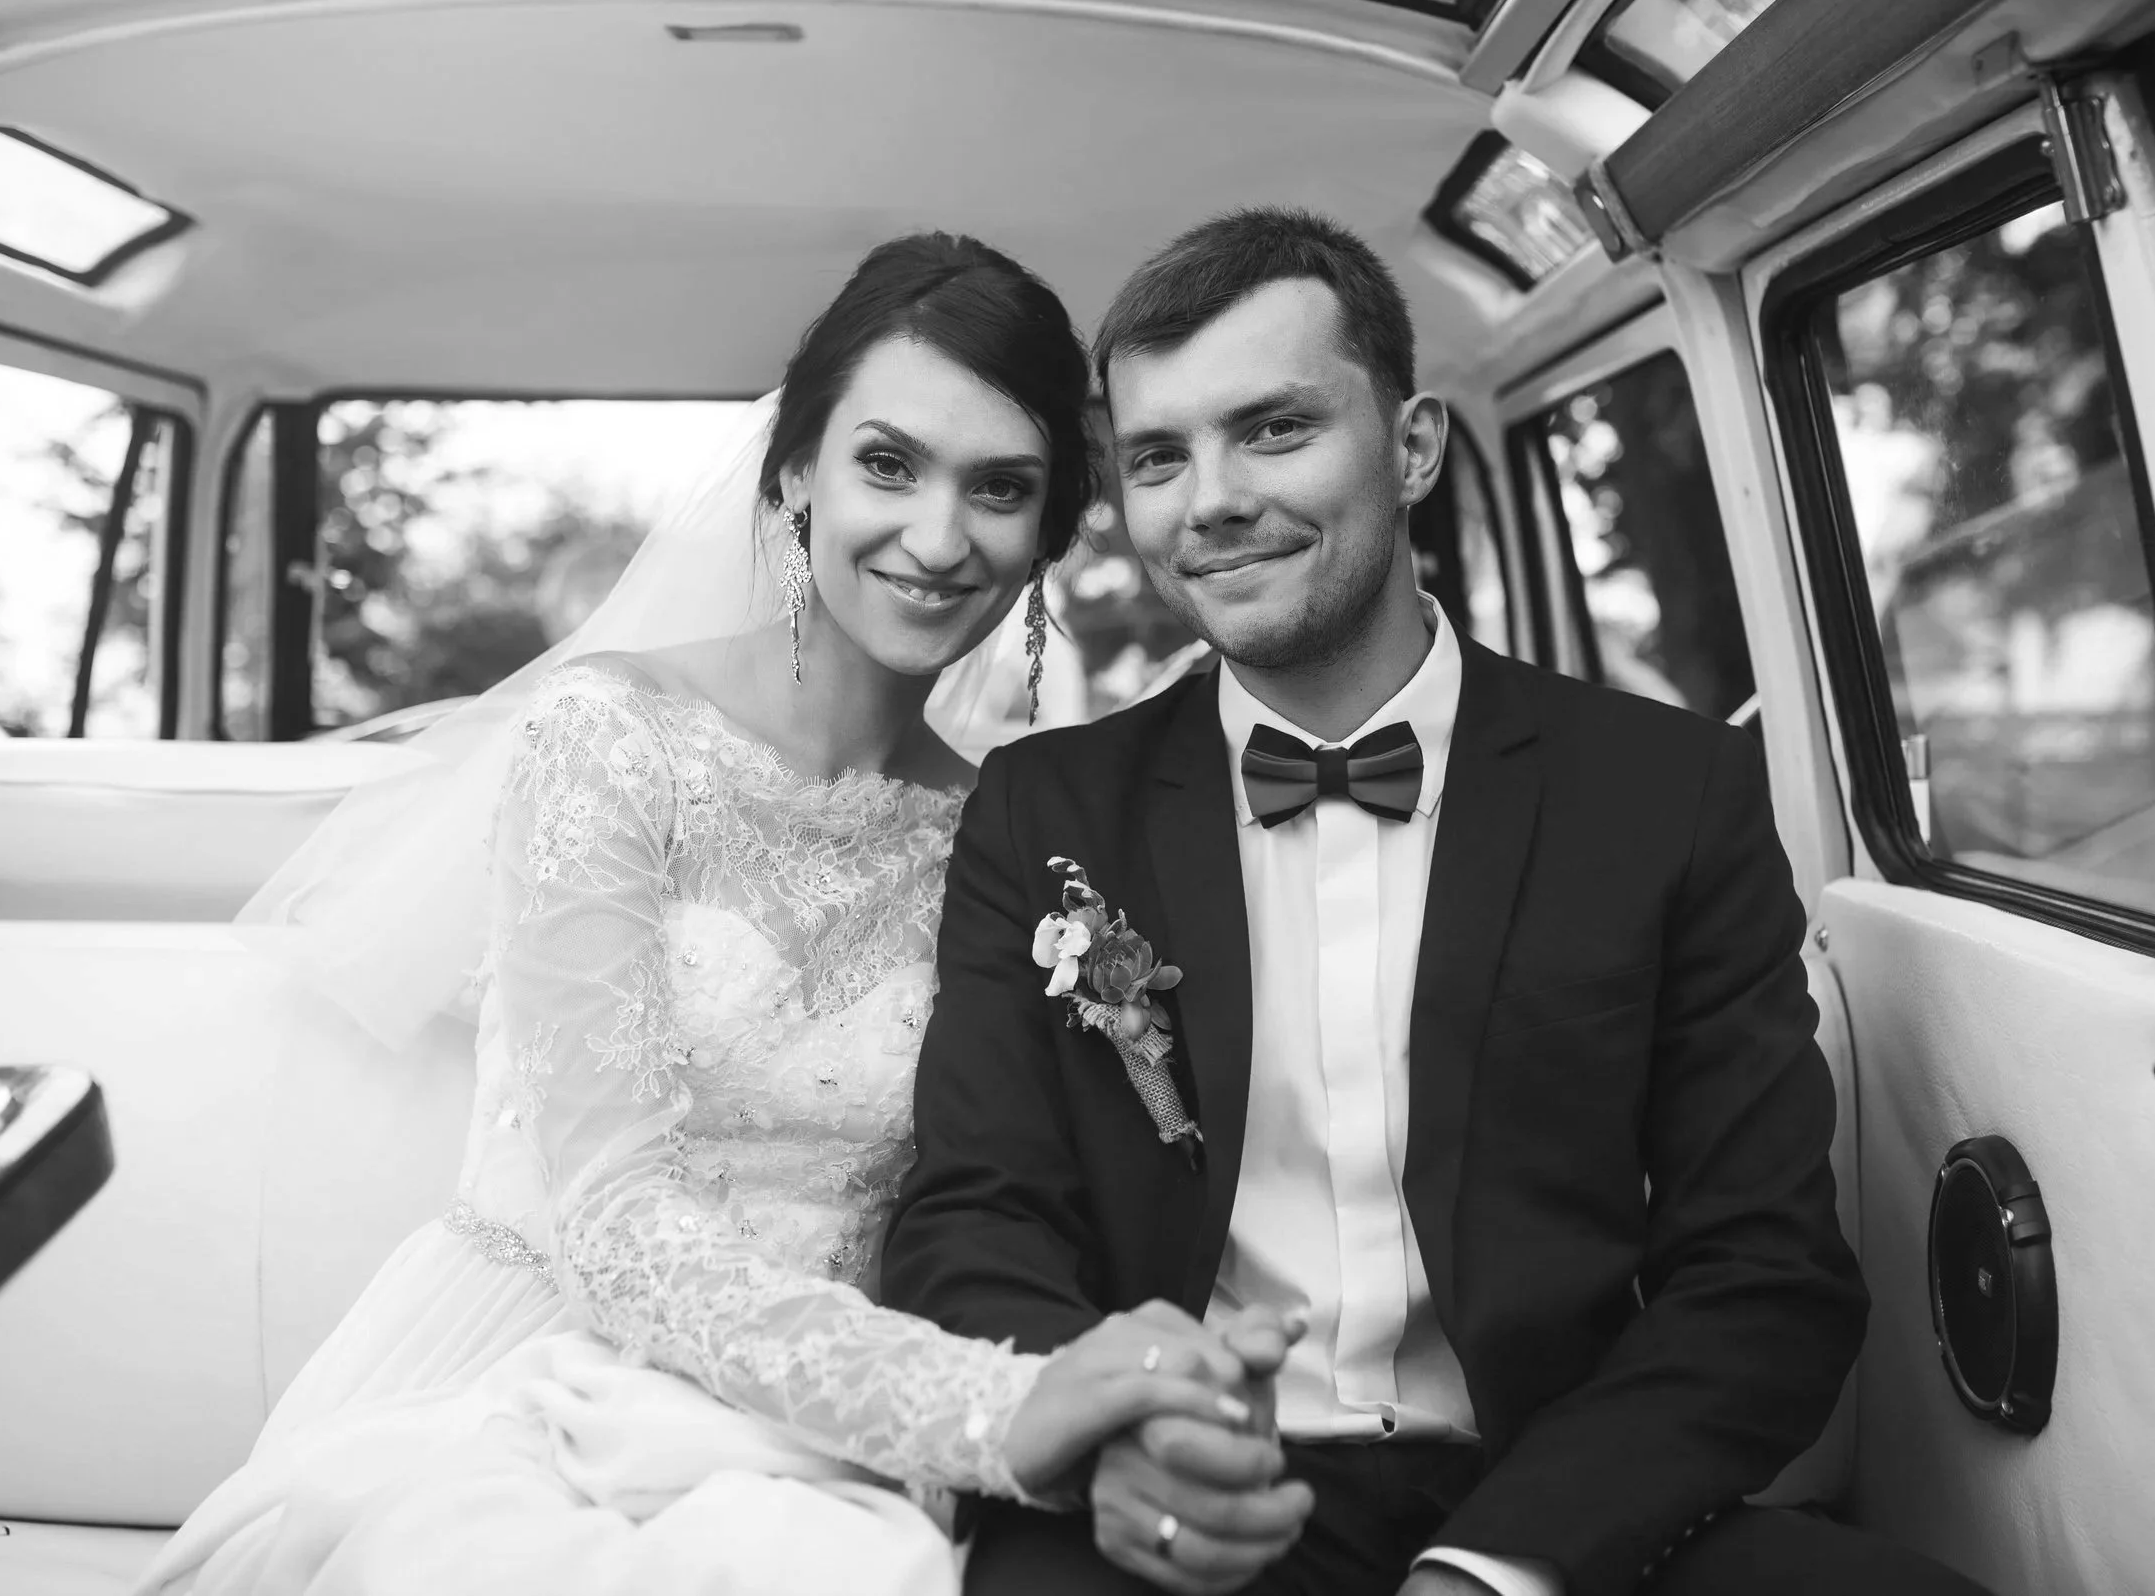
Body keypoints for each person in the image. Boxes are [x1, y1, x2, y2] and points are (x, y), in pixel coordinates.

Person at [134, 232, 1302, 1596]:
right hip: (537, 1374)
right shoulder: (610, 742)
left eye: (1000, 488)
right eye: (888, 464)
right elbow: (613, 1216)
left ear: (1048, 533)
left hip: (827, 1425)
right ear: (796, 472)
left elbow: (1022, 1191)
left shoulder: (1006, 833)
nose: (939, 538)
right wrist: (994, 1409)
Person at [881, 209, 1994, 1596]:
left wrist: (1497, 1564)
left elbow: (1765, 1279)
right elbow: (972, 1220)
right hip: (1179, 1498)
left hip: (1550, 1497)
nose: (1210, 500)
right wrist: (1120, 1426)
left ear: (1413, 447)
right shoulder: (1045, 812)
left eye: (1274, 429)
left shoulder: (1666, 793)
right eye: (1160, 456)